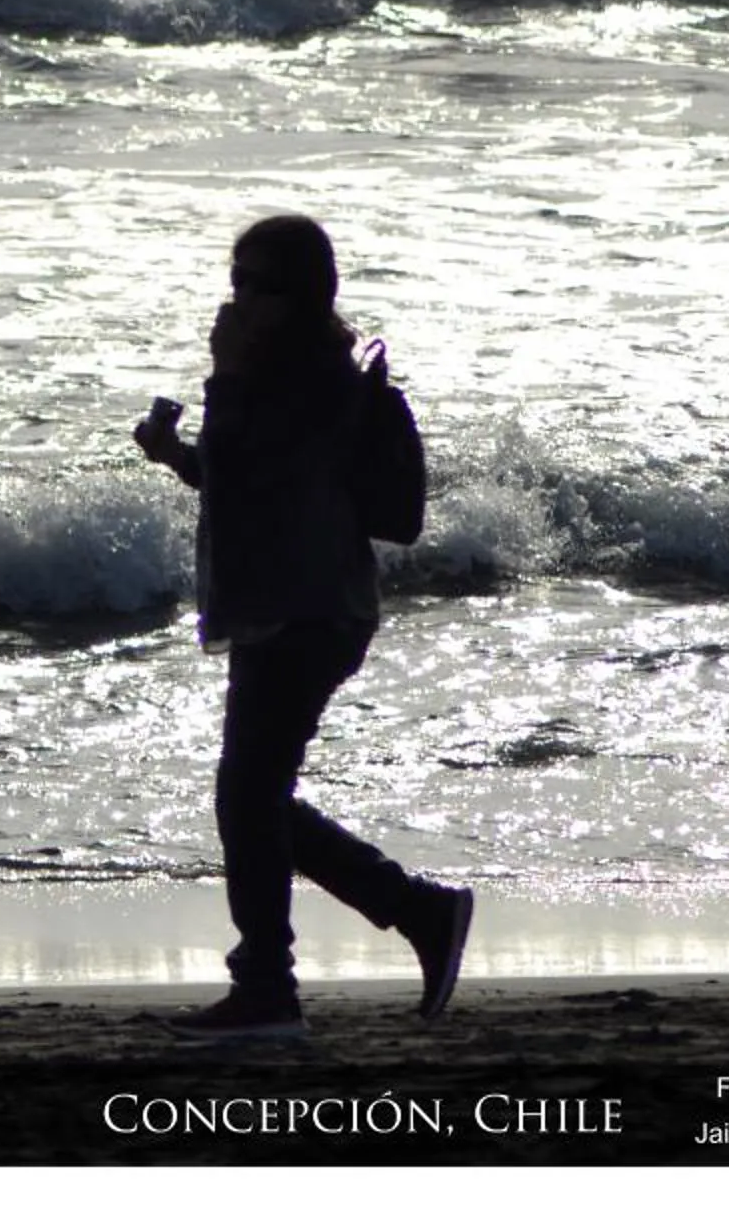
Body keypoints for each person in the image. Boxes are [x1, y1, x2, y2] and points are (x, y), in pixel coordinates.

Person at [132, 213, 472, 1043]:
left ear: (303, 291)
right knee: (255, 798)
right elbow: (243, 480)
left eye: (258, 282)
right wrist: (176, 452)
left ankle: (270, 985)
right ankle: (414, 912)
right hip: (296, 603)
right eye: (235, 279)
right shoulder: (296, 371)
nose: (239, 298)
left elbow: (263, 474)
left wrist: (223, 376)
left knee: (247, 796)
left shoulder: (307, 380)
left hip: (306, 607)